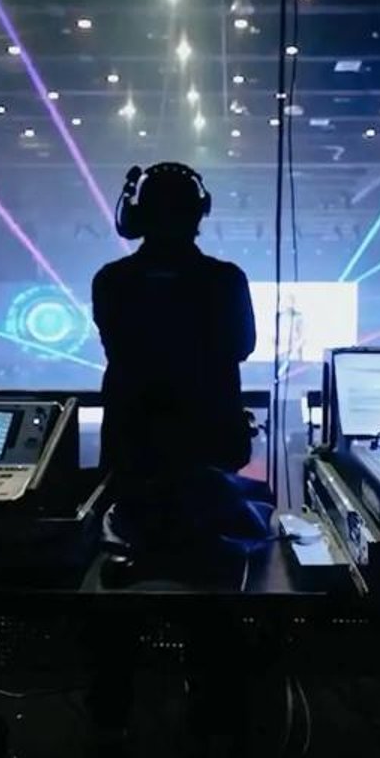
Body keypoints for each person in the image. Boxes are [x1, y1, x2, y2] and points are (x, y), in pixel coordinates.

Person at [92, 162, 266, 563]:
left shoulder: (111, 280)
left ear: (137, 215)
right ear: (199, 212)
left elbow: (120, 350)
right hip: (209, 447)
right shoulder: (226, 279)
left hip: (133, 447)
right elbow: (242, 345)